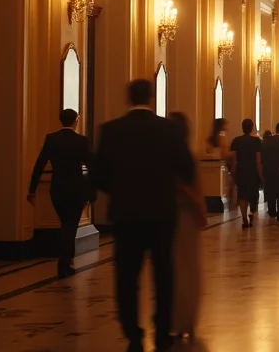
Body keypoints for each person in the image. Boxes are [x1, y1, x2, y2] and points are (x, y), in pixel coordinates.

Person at [93, 80, 195, 352]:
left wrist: (120, 189)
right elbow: (186, 169)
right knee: (164, 272)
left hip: (126, 215)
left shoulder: (111, 131)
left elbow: (99, 176)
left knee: (126, 277)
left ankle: (133, 335)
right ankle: (162, 332)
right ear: (150, 97)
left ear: (128, 98)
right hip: (162, 213)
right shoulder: (169, 130)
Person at [27, 108, 94, 278]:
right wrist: (92, 190)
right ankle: (64, 263)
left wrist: (32, 189)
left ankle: (67, 261)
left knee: (66, 224)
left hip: (57, 189)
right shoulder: (82, 141)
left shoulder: (51, 139)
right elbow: (92, 166)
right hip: (77, 189)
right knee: (70, 225)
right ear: (75, 121)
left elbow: (39, 164)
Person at [166, 113, 205, 340]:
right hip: (186, 216)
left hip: (171, 215)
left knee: (176, 268)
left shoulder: (166, 156)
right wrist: (199, 209)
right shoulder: (187, 156)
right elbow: (195, 189)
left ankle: (177, 319)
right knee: (189, 269)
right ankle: (188, 319)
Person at [228, 119, 263, 228]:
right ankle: (251, 213)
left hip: (241, 170)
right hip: (252, 170)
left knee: (242, 194)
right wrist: (260, 174)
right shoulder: (256, 141)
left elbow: (234, 159)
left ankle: (244, 218)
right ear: (252, 127)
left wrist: (233, 172)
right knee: (253, 193)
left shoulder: (236, 141)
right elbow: (258, 160)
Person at [261, 123, 279, 221]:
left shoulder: (266, 142)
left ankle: (272, 211)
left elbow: (262, 158)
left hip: (268, 170)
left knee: (270, 191)